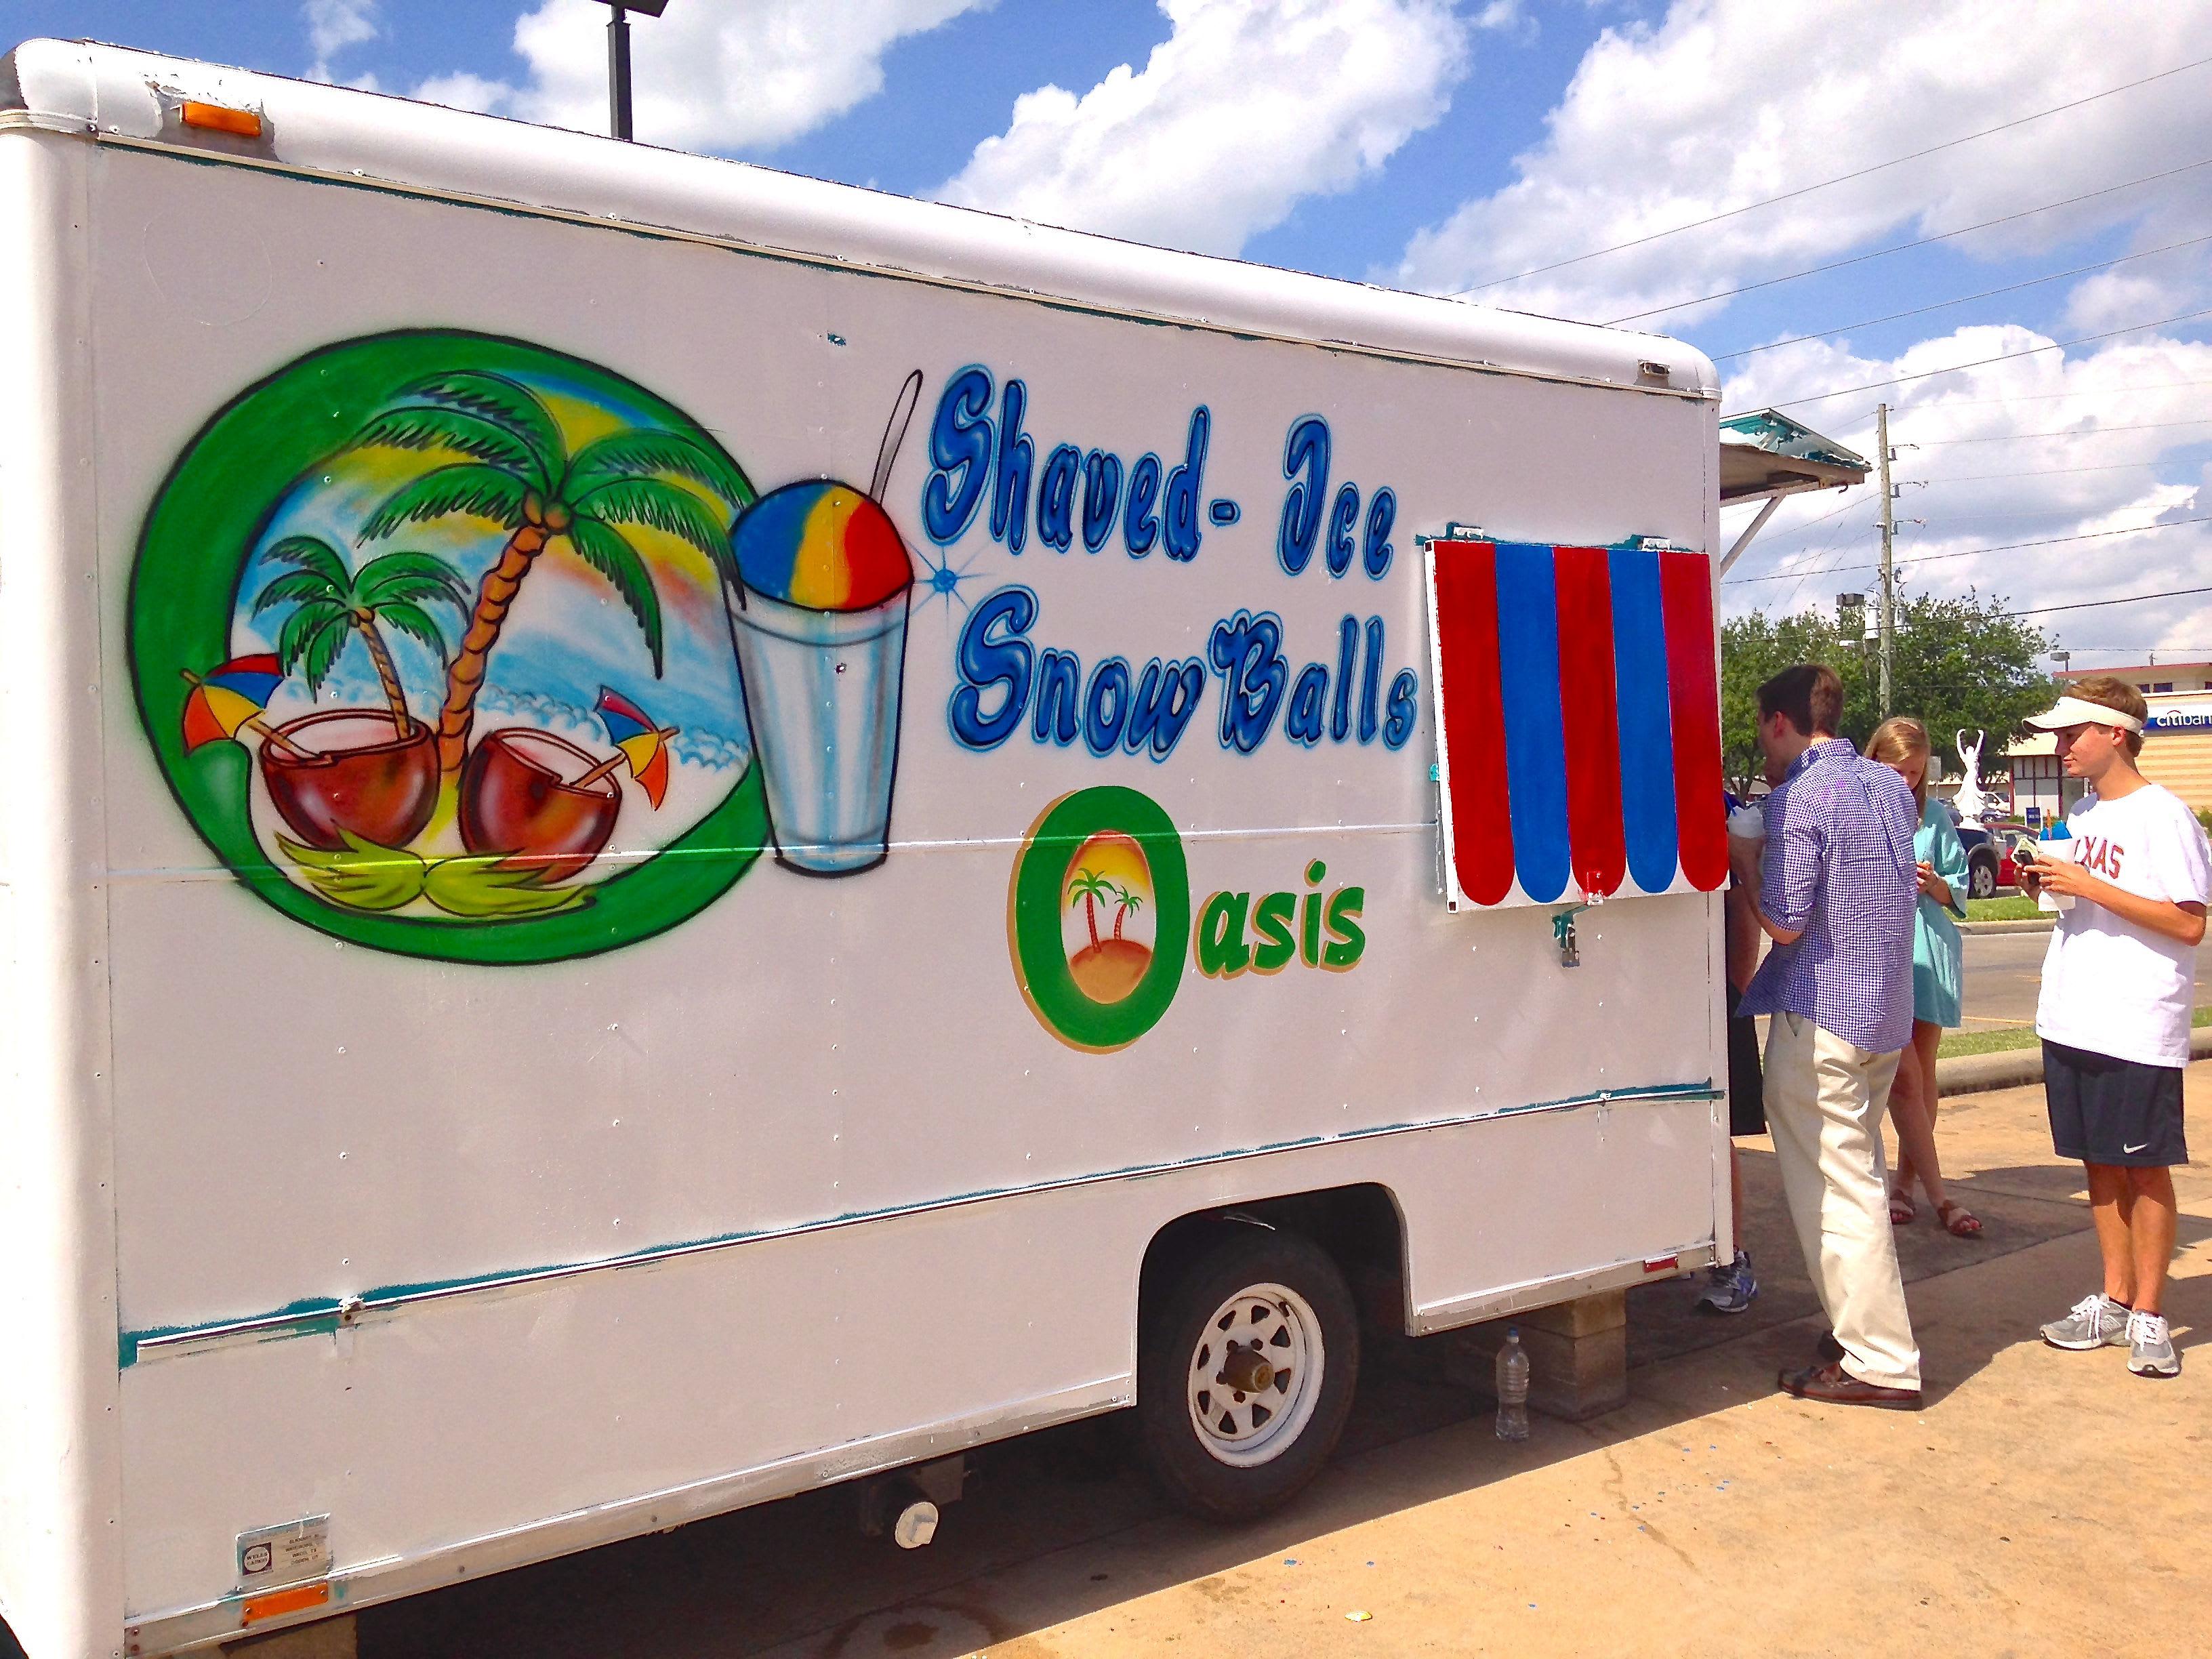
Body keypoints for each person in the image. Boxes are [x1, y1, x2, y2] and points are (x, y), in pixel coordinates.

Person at [1739, 664, 1924, 1409]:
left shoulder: (1799, 798)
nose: (1761, 742)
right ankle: (1861, 1329)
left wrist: (1743, 860)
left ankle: (1880, 1359)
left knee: (1838, 1195)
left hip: (1822, 1020)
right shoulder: (1888, 786)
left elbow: (1784, 923)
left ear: (1780, 722)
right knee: (1860, 1181)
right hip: (1883, 1016)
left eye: (1759, 727)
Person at [2018, 677, 2209, 1379]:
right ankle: (2116, 1296)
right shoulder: (2085, 815)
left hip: (2136, 1021)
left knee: (2144, 1163)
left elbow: (2188, 923)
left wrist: (2091, 887)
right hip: (2074, 1013)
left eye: (2073, 735)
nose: (2062, 747)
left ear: (2116, 735)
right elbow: (2076, 907)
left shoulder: (2164, 818)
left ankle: (2153, 1313)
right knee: (2100, 1162)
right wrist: (2043, 886)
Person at [1863, 718, 1980, 1239]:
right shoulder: (1859, 811)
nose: (1906, 781)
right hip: (1881, 956)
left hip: (1927, 948)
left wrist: (1935, 883)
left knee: (1922, 1069)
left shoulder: (1934, 817)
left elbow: (1961, 889)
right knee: (1889, 1073)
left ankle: (1906, 1182)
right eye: (1897, 770)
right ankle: (1892, 1181)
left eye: (1914, 773)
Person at [1696, 788, 1767, 1314]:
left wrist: (1736, 987)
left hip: (1711, 990)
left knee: (1718, 1131)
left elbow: (1741, 902)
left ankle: (1732, 1259)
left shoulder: (1720, 806)